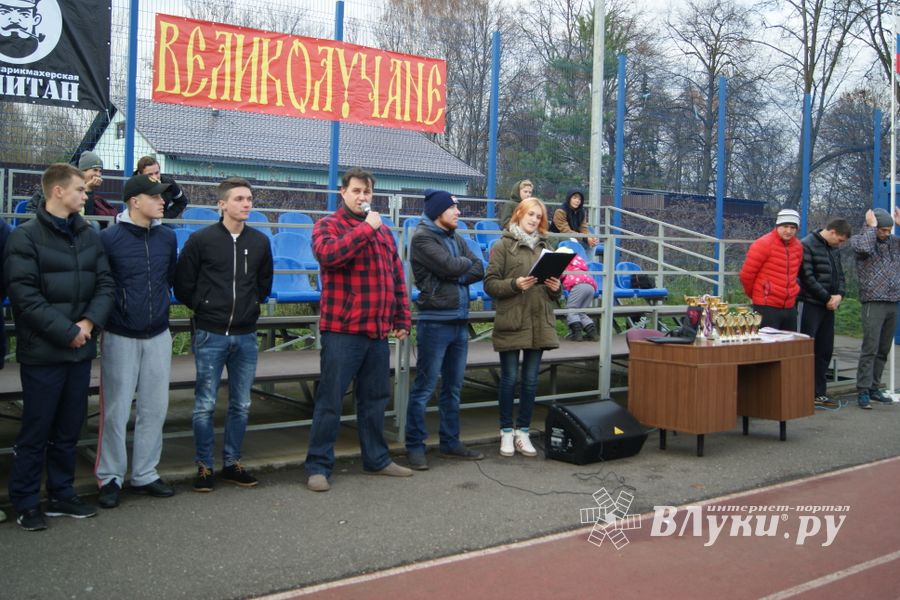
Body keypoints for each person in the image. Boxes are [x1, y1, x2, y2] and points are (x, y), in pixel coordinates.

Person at [4, 163, 115, 531]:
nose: (87, 196)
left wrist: (86, 324)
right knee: (36, 430)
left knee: (70, 428)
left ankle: (62, 494)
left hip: (79, 348)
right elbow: (25, 297)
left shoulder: (88, 234)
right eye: (81, 190)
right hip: (44, 352)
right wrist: (66, 330)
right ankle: (25, 500)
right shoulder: (25, 237)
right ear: (58, 192)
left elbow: (105, 285)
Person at [304, 168, 412, 491]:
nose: (362, 197)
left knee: (375, 399)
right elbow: (329, 256)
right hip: (342, 330)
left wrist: (402, 318)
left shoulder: (384, 232)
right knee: (330, 400)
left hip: (376, 332)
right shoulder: (328, 226)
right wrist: (365, 229)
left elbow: (396, 278)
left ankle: (377, 459)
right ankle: (318, 466)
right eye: (356, 191)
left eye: (367, 192)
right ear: (343, 193)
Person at [174, 177, 273, 491]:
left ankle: (232, 463)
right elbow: (183, 285)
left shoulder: (259, 241)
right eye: (240, 199)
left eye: (249, 199)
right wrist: (205, 307)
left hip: (245, 335)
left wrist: (249, 306)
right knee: (205, 403)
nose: (246, 204)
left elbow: (264, 285)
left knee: (241, 404)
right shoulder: (201, 240)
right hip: (211, 333)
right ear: (222, 204)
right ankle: (204, 467)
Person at [94, 174, 178, 509]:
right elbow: (103, 285)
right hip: (119, 334)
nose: (162, 201)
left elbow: (168, 277)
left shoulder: (167, 238)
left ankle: (145, 473)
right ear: (134, 201)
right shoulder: (109, 238)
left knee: (154, 408)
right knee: (115, 410)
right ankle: (110, 476)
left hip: (158, 333)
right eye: (155, 197)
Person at [405, 189, 485, 470]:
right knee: (425, 388)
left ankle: (451, 442)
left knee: (453, 387)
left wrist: (456, 271)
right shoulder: (422, 238)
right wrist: (458, 270)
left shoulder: (455, 237)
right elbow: (453, 266)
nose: (459, 213)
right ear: (439, 211)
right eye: (454, 208)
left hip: (459, 321)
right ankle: (414, 446)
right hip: (435, 321)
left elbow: (480, 267)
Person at [484, 197, 561, 457]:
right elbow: (490, 284)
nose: (534, 220)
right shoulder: (502, 245)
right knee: (509, 380)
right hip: (512, 320)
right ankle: (506, 431)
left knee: (529, 382)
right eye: (530, 214)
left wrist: (556, 288)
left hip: (538, 322)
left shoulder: (546, 247)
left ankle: (523, 432)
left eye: (538, 216)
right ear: (518, 214)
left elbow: (554, 294)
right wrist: (515, 284)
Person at [849, 208, 900, 410]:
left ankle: (874, 387)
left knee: (883, 349)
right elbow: (864, 249)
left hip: (892, 300)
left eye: (889, 230)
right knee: (870, 347)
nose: (886, 234)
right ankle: (862, 390)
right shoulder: (861, 240)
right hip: (873, 301)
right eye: (883, 230)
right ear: (874, 227)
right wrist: (871, 228)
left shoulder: (894, 244)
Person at [797, 218, 850, 408]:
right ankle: (801, 392)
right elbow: (807, 277)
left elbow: (840, 275)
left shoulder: (833, 248)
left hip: (829, 306)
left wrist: (840, 295)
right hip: (810, 304)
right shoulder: (806, 245)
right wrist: (827, 297)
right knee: (805, 349)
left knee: (825, 349)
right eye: (841, 240)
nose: (840, 244)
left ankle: (819, 393)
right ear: (833, 232)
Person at [739, 208, 803, 330]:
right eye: (785, 226)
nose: (788, 231)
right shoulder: (762, 244)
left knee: (789, 347)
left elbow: (795, 273)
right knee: (767, 348)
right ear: (777, 226)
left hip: (790, 306)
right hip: (766, 306)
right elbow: (746, 275)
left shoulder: (798, 247)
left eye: (793, 227)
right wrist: (756, 295)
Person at [26, 151, 118, 228]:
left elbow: (87, 215)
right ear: (82, 170)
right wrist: (87, 189)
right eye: (95, 170)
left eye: (100, 171)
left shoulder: (85, 186)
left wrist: (88, 190)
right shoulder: (62, 180)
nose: (98, 174)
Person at [556, 246, 598, 341]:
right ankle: (593, 333)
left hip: (578, 285)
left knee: (571, 309)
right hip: (591, 286)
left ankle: (577, 334)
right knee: (581, 311)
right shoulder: (579, 262)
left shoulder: (563, 262)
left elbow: (559, 275)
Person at [135, 156, 189, 220]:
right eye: (150, 174)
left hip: (162, 222)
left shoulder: (169, 183)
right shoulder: (133, 187)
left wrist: (166, 216)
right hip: (140, 223)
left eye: (157, 173)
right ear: (140, 174)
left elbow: (182, 201)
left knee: (177, 230)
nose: (155, 177)